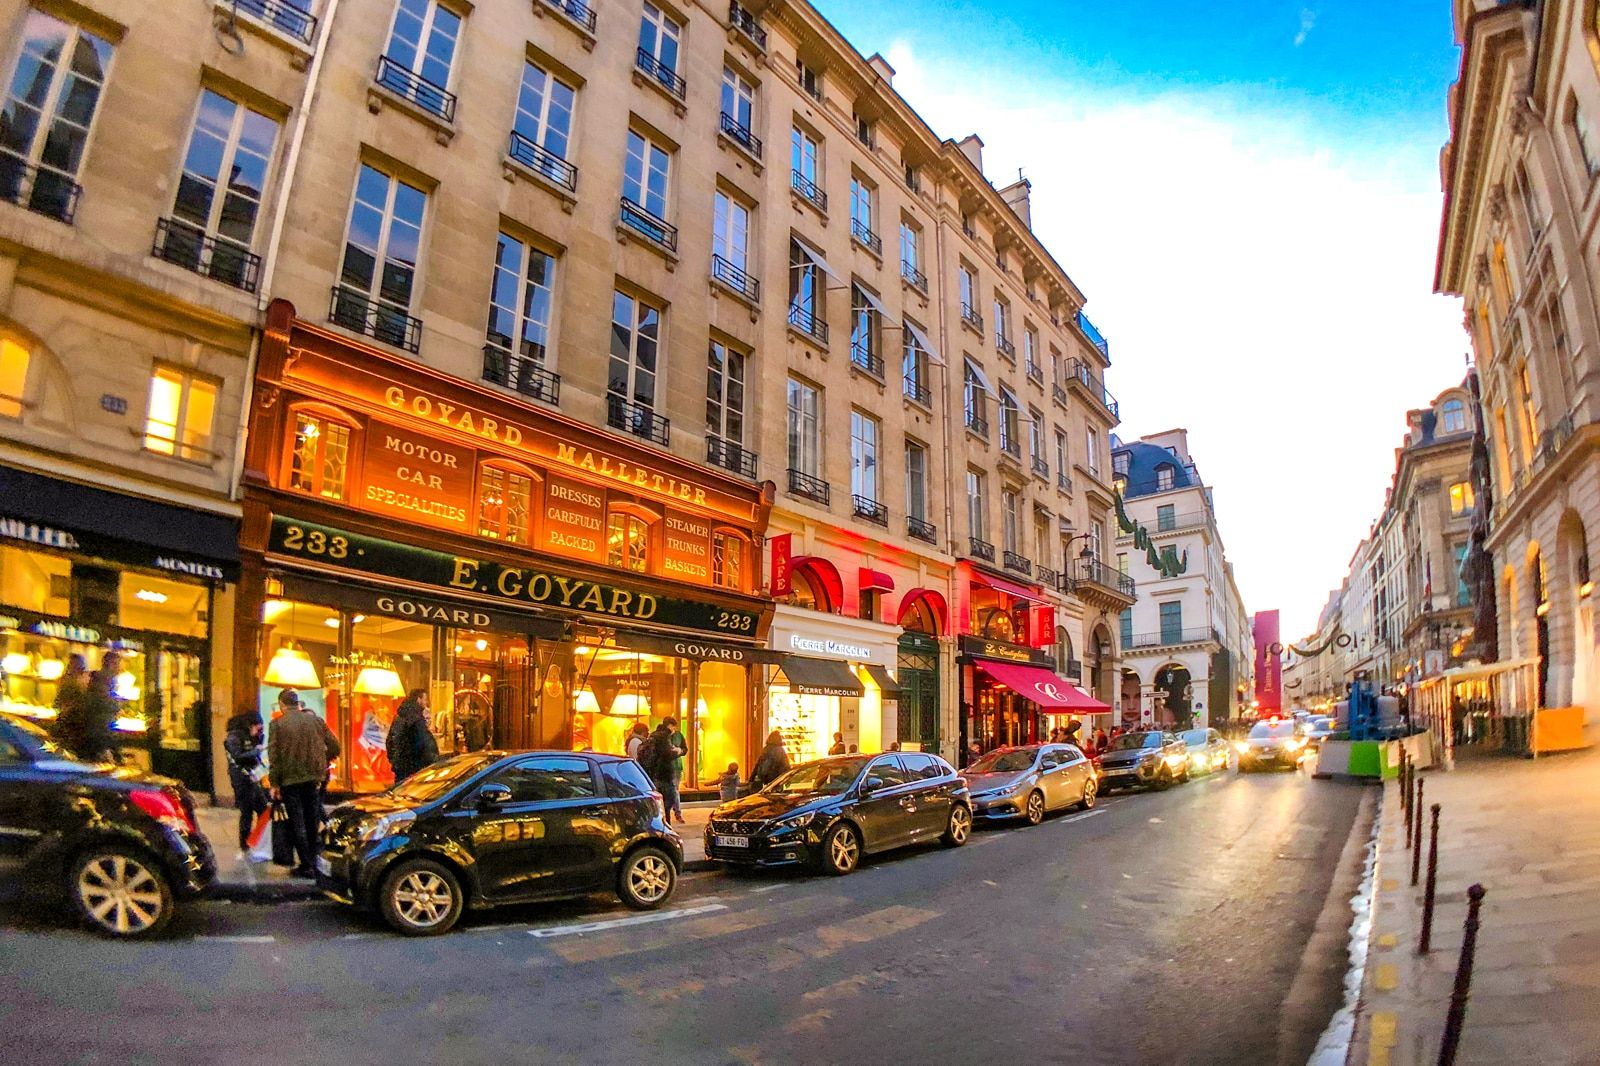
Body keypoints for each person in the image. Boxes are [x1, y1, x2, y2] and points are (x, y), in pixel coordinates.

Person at [268, 689, 341, 879]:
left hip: (290, 779)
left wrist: (274, 783)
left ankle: (306, 864)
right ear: (298, 703)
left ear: (282, 704)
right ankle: (314, 861)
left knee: (297, 821)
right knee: (312, 818)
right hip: (314, 778)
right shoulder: (316, 721)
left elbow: (274, 757)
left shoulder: (277, 724)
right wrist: (322, 760)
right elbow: (335, 746)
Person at [223, 711, 267, 854]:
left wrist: (259, 739)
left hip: (252, 776)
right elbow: (238, 756)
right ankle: (245, 842)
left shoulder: (251, 737)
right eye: (257, 727)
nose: (257, 730)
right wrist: (256, 750)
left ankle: (256, 838)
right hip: (241, 778)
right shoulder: (233, 737)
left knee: (263, 808)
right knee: (246, 811)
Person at [385, 689, 437, 783]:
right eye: (425, 699)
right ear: (419, 699)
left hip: (400, 766)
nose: (426, 702)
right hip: (413, 767)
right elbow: (423, 742)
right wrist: (433, 761)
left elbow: (390, 741)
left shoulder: (400, 716)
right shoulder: (416, 718)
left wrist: (394, 761)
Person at [642, 719, 682, 823]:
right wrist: (676, 752)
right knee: (666, 803)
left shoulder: (653, 735)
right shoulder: (663, 737)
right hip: (663, 774)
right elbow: (666, 755)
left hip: (654, 773)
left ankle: (659, 822)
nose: (674, 730)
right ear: (669, 726)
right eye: (673, 727)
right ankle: (665, 824)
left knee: (659, 802)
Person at [665, 717, 688, 824]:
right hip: (666, 766)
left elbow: (685, 749)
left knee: (675, 790)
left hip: (677, 766)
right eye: (672, 726)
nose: (673, 728)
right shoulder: (663, 735)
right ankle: (674, 812)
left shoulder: (678, 735)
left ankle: (677, 812)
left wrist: (680, 751)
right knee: (672, 790)